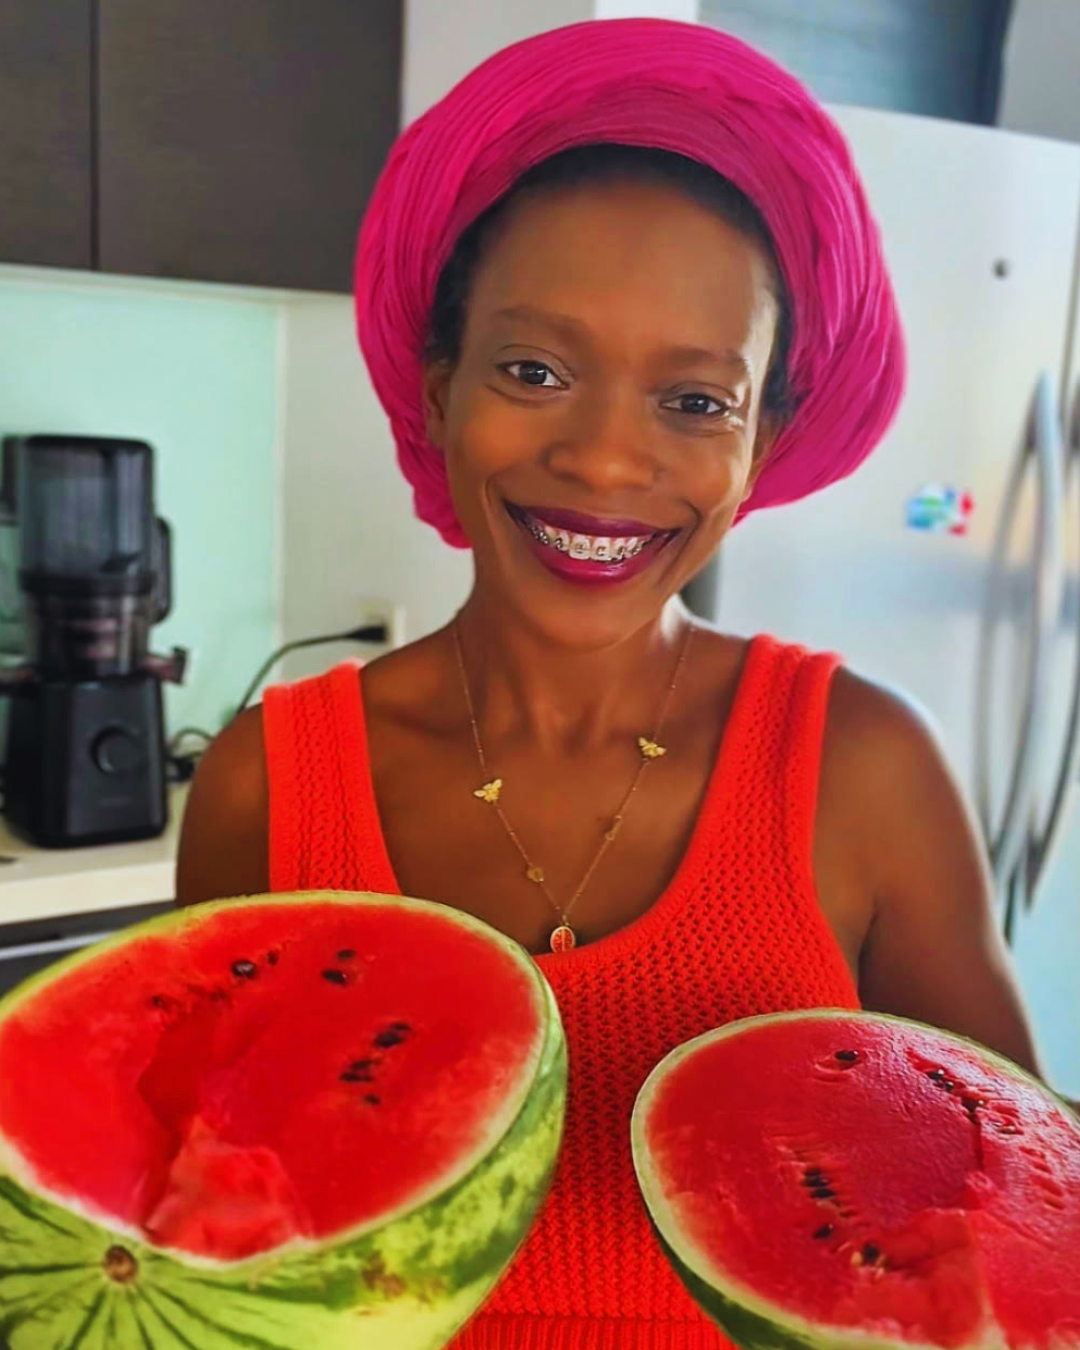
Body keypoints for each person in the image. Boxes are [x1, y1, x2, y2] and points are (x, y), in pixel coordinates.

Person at [177, 18, 1044, 1348]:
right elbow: (194, 1242)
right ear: (438, 390)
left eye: (695, 402)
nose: (603, 460)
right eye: (534, 371)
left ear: (762, 445)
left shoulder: (866, 772)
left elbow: (1022, 1238)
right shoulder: (264, 784)